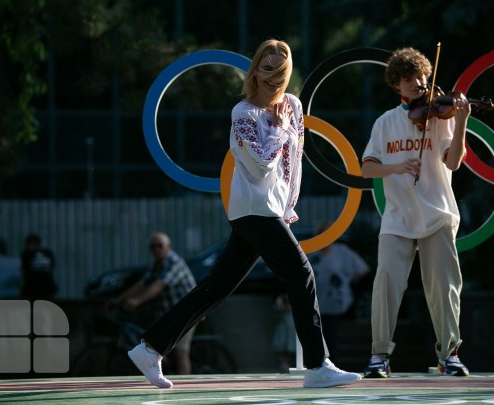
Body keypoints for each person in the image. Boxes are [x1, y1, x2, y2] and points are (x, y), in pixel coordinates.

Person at [127, 39, 361, 389]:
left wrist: (288, 207)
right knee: (301, 275)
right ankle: (317, 365)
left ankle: (150, 349)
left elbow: (293, 164)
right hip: (253, 208)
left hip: (269, 210)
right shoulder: (243, 114)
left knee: (216, 287)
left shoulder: (294, 106)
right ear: (254, 71)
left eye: (280, 71)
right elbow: (258, 167)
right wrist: (279, 130)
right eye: (266, 69)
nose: (272, 78)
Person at [360, 47, 471, 378]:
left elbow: (453, 162)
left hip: (437, 213)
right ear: (397, 84)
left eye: (423, 77)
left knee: (444, 285)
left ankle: (448, 354)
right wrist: (396, 167)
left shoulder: (441, 119)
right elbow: (367, 168)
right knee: (386, 282)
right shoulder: (385, 123)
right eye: (411, 79)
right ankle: (379, 355)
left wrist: (462, 118)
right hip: (398, 217)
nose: (421, 84)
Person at [110, 232, 197, 375]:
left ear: (168, 247)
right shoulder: (157, 264)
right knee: (155, 343)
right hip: (170, 315)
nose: (156, 249)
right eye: (152, 247)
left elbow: (158, 285)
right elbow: (142, 284)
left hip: (187, 313)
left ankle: (184, 385)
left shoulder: (174, 263)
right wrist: (118, 299)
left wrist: (137, 301)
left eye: (159, 246)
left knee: (181, 351)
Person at [308, 226, 369, 364]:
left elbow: (363, 268)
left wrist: (347, 279)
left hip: (336, 301)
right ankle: (321, 362)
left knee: (330, 334)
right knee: (318, 334)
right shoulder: (312, 254)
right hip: (316, 301)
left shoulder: (341, 252)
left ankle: (332, 362)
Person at [20, 233, 57, 299]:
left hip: (39, 288)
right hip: (41, 288)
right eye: (30, 244)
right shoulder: (47, 253)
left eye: (33, 244)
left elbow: (25, 270)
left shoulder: (26, 254)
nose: (31, 246)